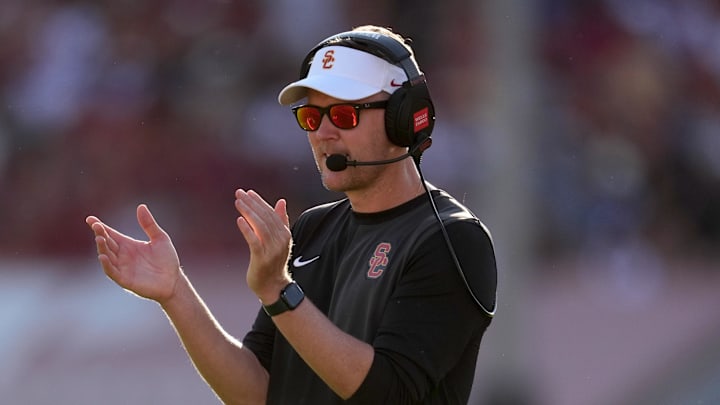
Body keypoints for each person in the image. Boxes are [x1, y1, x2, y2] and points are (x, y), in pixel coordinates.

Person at [86, 25, 497, 404]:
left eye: (343, 115)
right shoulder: (313, 228)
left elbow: (389, 393)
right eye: (311, 117)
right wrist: (175, 292)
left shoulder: (453, 239)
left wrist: (280, 292)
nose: (322, 133)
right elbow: (258, 392)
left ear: (403, 120)